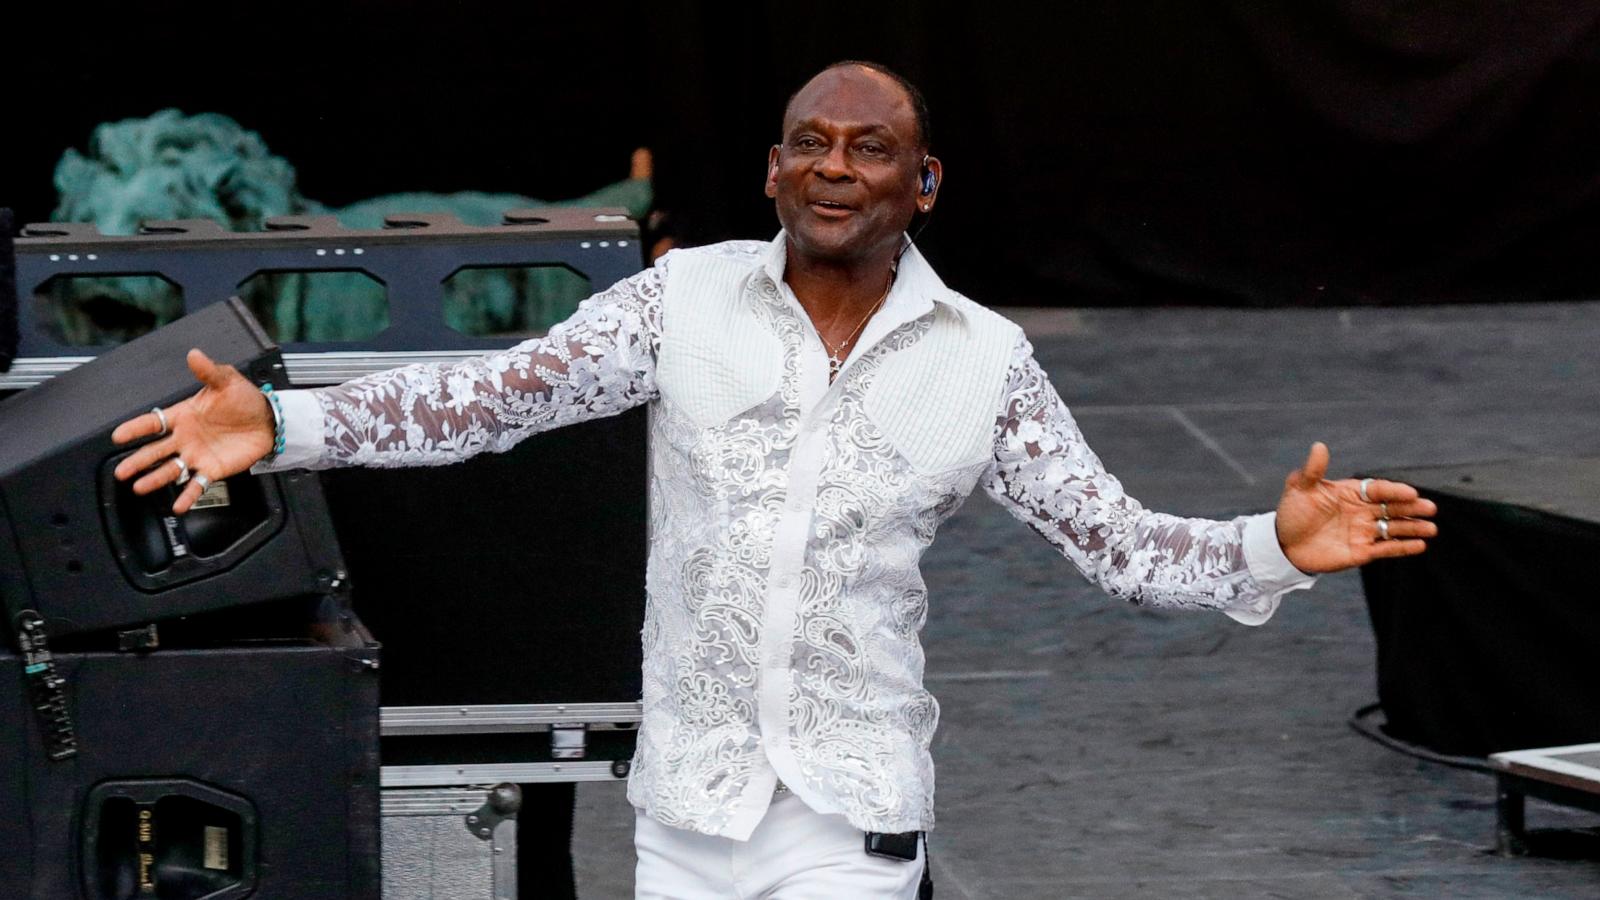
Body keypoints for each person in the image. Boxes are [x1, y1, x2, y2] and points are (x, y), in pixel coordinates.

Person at [112, 60, 1438, 899]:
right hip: (686, 814)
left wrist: (1274, 544)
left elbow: (1123, 548)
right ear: (772, 168)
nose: (835, 167)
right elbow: (491, 398)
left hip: (852, 819)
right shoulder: (677, 302)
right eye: (810, 142)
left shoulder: (985, 363)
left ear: (923, 183)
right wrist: (282, 427)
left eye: (869, 150)